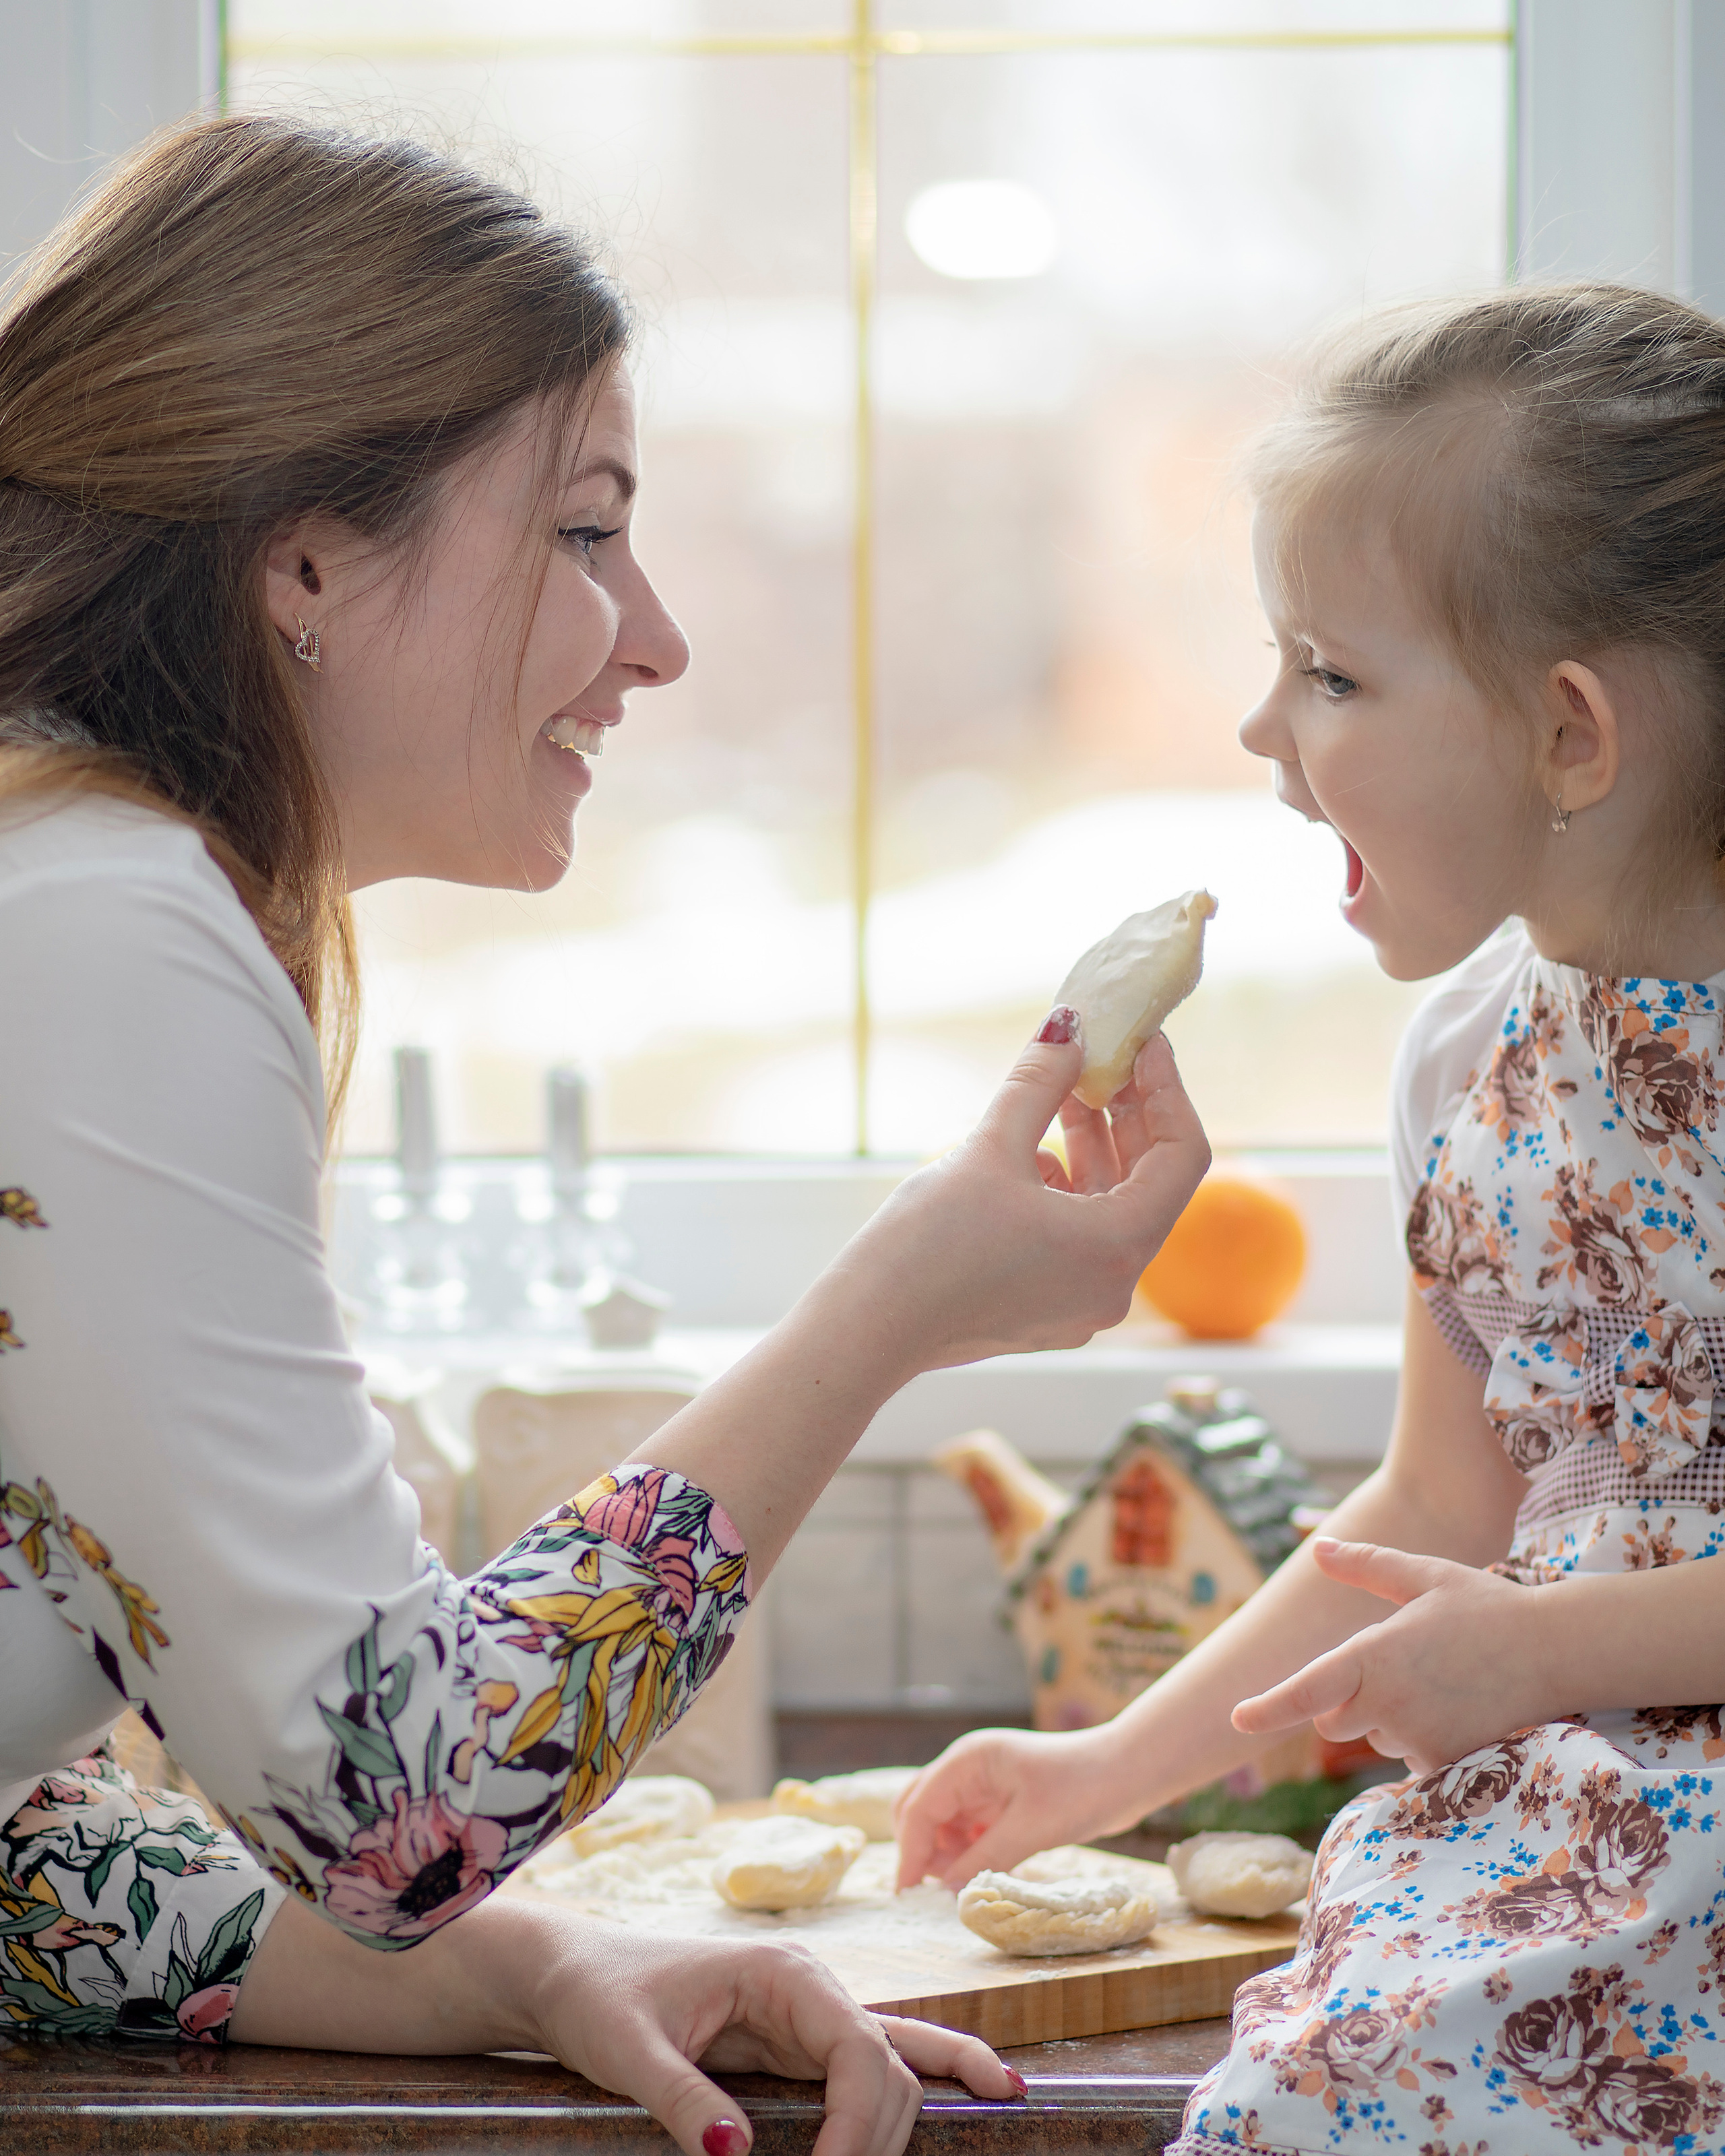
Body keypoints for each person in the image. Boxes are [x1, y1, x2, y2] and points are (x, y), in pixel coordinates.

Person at [0, 114, 1212, 2153]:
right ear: (301, 554)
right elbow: (402, 1805)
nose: (653, 635)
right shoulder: (109, 929)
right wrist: (896, 1305)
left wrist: (537, 1968)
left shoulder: (59, 880)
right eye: (582, 531)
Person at [895, 282, 1725, 2154]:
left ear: (1572, 737)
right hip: (1559, 1852)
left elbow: (1510, 1609)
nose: (1264, 726)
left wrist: (1536, 1656)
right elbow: (1434, 1512)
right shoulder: (1467, 1063)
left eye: (1333, 676)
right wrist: (1109, 1766)